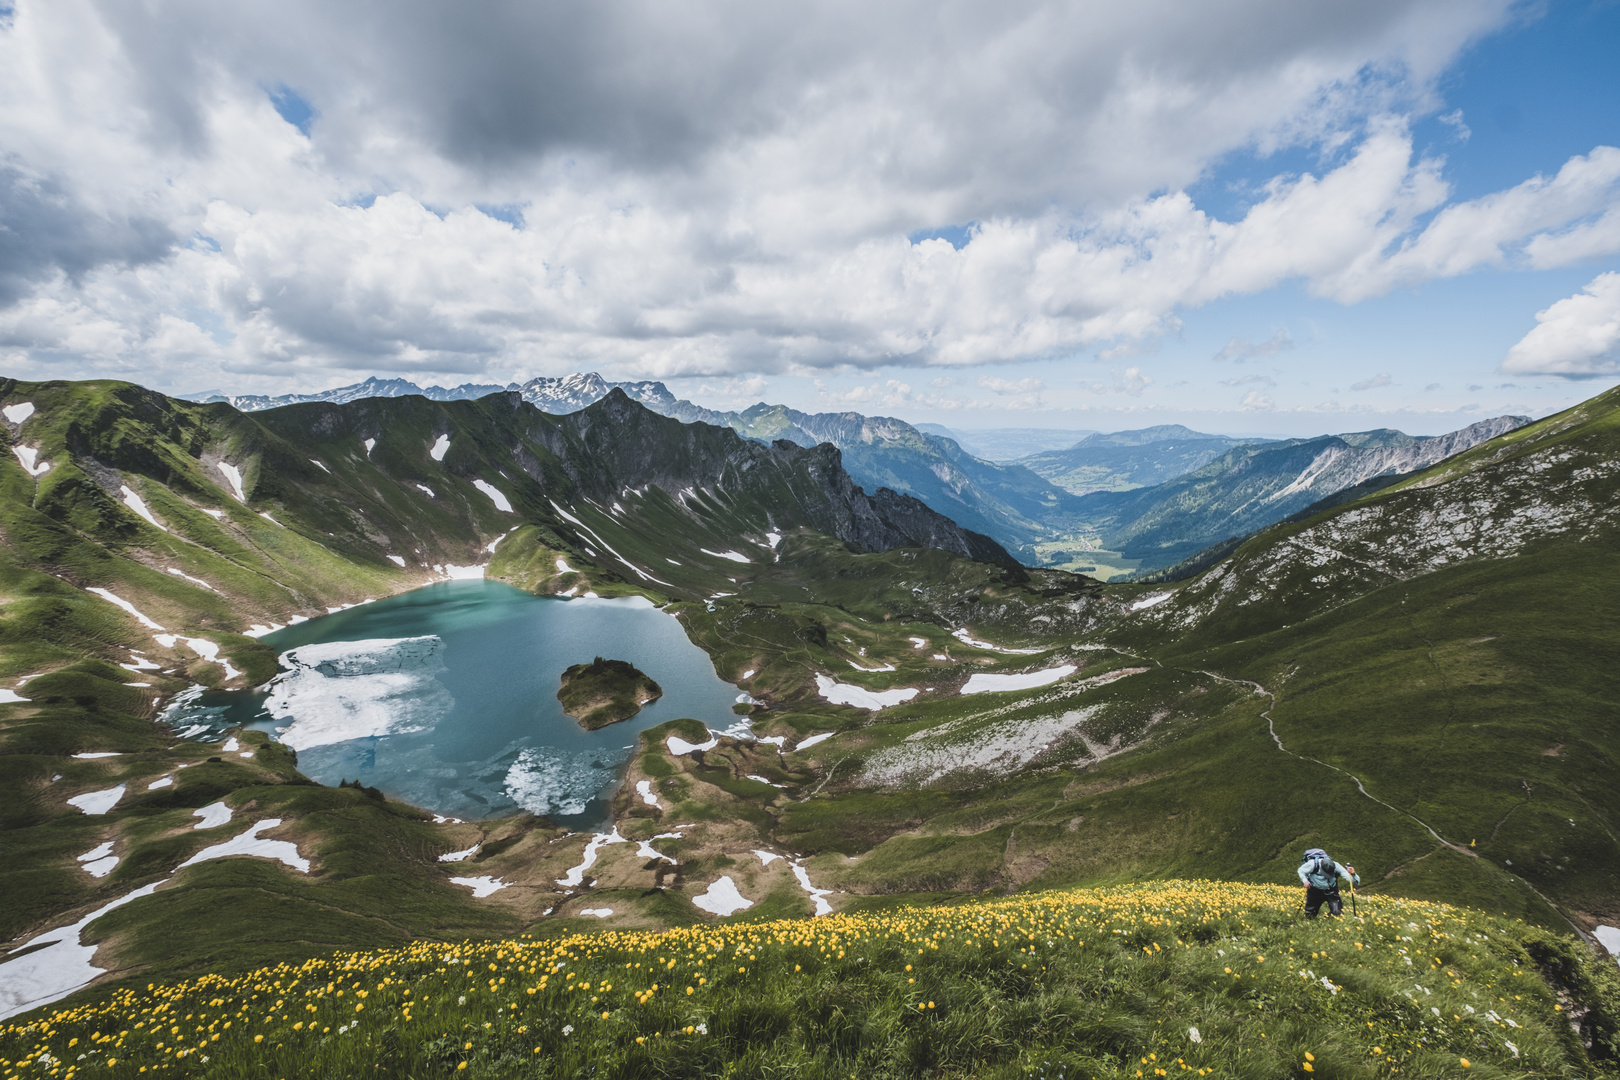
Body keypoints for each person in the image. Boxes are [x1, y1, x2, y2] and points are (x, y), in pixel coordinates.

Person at [1297, 847, 1360, 917]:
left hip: (1331, 891)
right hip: (1315, 891)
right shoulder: (1312, 864)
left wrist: (1353, 874)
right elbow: (1301, 871)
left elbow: (1354, 882)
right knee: (1310, 915)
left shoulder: (1336, 866)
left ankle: (1327, 919)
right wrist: (1305, 881)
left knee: (1337, 913)